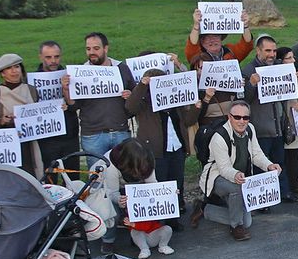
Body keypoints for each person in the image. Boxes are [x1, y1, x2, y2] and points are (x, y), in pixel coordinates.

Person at [125, 66, 204, 226]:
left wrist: (196, 108)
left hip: (176, 148)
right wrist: (142, 85)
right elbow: (130, 108)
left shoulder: (175, 102)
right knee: (159, 184)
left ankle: (173, 219)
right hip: (155, 151)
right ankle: (159, 221)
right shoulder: (144, 103)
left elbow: (188, 121)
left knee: (176, 182)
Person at [194, 99, 280, 241]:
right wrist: (236, 175)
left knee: (247, 222)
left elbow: (256, 154)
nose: (241, 121)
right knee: (237, 189)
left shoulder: (250, 129)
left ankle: (205, 210)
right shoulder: (219, 137)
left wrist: (270, 165)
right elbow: (224, 168)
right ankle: (235, 227)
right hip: (216, 177)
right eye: (237, 117)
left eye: (245, 117)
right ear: (229, 117)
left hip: (239, 177)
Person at [241, 34, 298, 203]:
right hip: (259, 128)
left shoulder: (280, 67)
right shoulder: (247, 70)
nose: (272, 54)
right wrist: (251, 85)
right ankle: (263, 199)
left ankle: (284, 192)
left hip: (278, 126)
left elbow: (291, 93)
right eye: (268, 50)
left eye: (274, 51)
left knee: (279, 162)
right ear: (258, 50)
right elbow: (241, 100)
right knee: (260, 166)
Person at [63, 32, 135, 161]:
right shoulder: (80, 73)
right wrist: (66, 89)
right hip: (93, 136)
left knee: (125, 174)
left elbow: (135, 98)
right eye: (88, 49)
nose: (92, 52)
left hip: (120, 132)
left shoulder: (121, 68)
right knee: (97, 177)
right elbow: (73, 105)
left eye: (96, 48)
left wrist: (130, 95)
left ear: (105, 48)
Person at [103, 138, 174, 259]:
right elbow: (111, 192)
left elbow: (152, 184)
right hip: (107, 185)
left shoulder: (146, 159)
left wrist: (165, 194)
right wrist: (119, 199)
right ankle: (108, 240)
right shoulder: (109, 165)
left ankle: (147, 232)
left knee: (148, 204)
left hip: (130, 184)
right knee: (111, 212)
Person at [0, 53, 43, 177]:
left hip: (29, 144)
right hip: (7, 146)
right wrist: (1, 121)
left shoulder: (31, 90)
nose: (14, 71)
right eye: (9, 68)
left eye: (17, 67)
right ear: (2, 73)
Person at [35, 41, 79, 171]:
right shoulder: (32, 80)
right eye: (48, 57)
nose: (53, 61)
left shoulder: (70, 76)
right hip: (46, 138)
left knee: (72, 177)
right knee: (50, 177)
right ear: (40, 57)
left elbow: (77, 105)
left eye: (56, 56)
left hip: (69, 135)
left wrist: (69, 104)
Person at [273, 47, 298, 196]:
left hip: (294, 119)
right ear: (281, 60)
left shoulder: (295, 75)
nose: (293, 61)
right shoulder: (273, 75)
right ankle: (284, 187)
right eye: (289, 58)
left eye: (293, 57)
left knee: (293, 154)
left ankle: (294, 183)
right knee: (282, 156)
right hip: (281, 119)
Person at [183, 9, 253, 66]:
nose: (212, 40)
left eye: (215, 36)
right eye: (207, 37)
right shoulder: (198, 56)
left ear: (221, 38)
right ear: (201, 41)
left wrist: (245, 25)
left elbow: (247, 45)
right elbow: (192, 47)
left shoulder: (231, 52)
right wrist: (196, 25)